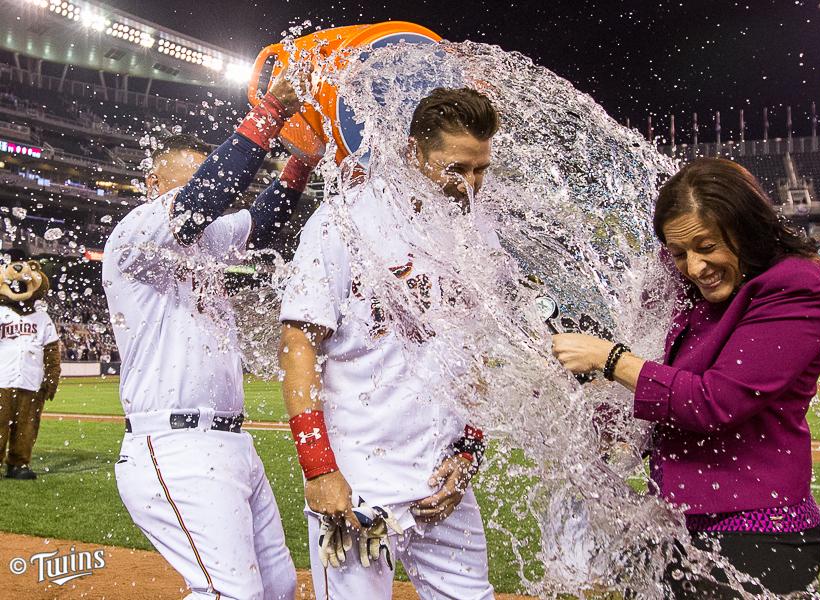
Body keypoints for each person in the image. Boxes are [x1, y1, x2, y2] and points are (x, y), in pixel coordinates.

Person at [552, 158, 820, 598]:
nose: (695, 266)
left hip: (755, 535)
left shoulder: (795, 285)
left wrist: (611, 359)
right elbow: (662, 381)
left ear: (747, 228)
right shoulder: (690, 289)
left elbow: (714, 402)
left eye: (706, 246)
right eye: (680, 253)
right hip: (674, 527)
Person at [103, 71, 323, 599]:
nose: (200, 193)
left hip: (230, 442)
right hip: (172, 444)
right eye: (184, 184)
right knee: (232, 594)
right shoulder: (135, 233)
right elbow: (203, 198)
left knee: (275, 587)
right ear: (153, 187)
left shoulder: (204, 239)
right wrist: (270, 112)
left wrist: (299, 165)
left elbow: (261, 224)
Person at [278, 87, 499, 599]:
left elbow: (485, 359)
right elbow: (298, 344)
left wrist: (469, 453)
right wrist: (320, 471)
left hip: (443, 483)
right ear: (412, 152)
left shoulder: (480, 236)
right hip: (360, 489)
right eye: (455, 169)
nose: (469, 185)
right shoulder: (346, 221)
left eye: (479, 170)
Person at [0, 249, 61, 480]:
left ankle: (18, 463)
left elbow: (52, 352)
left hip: (31, 382)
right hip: (1, 381)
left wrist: (51, 379)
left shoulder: (43, 318)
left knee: (26, 426)